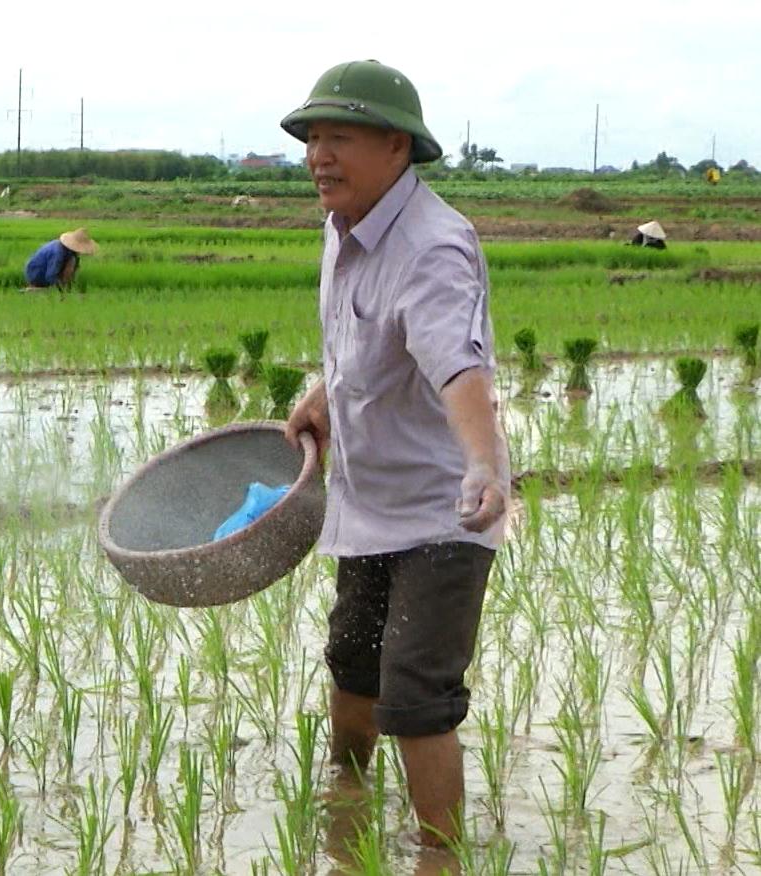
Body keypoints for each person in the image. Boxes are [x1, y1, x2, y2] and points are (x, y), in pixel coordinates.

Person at [278, 60, 510, 848]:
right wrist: (324, 395)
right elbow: (367, 340)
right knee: (352, 656)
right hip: (370, 498)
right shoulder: (342, 227)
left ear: (396, 147)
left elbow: (457, 364)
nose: (318, 156)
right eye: (312, 139)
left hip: (445, 508)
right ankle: (347, 800)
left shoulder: (434, 247)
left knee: (416, 690)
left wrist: (483, 461)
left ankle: (439, 858)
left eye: (338, 137)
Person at [24, 228, 98, 290]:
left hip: (48, 273)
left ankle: (61, 288)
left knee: (72, 261)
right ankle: (38, 288)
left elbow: (74, 270)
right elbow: (50, 276)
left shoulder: (71, 253)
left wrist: (71, 283)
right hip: (37, 273)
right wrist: (60, 288)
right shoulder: (58, 253)